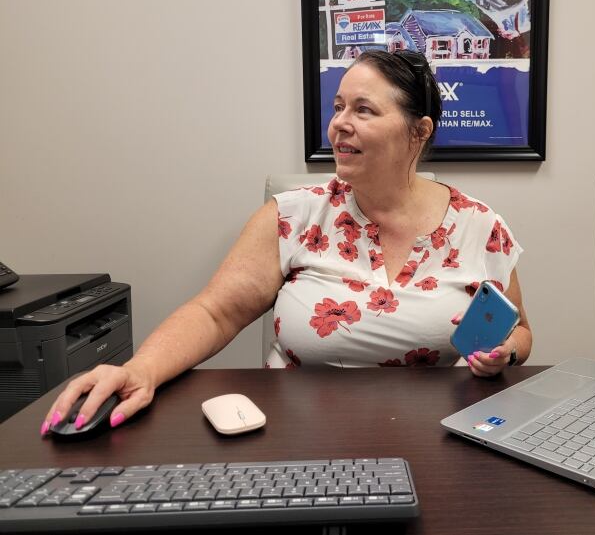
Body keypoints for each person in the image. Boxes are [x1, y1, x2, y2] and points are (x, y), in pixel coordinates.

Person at [39, 50, 532, 436]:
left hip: (432, 438)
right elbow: (215, 312)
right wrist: (141, 369)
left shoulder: (479, 228)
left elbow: (521, 335)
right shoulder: (294, 215)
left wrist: (503, 356)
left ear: (417, 132)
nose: (340, 122)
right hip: (298, 437)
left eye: (364, 109)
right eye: (338, 107)